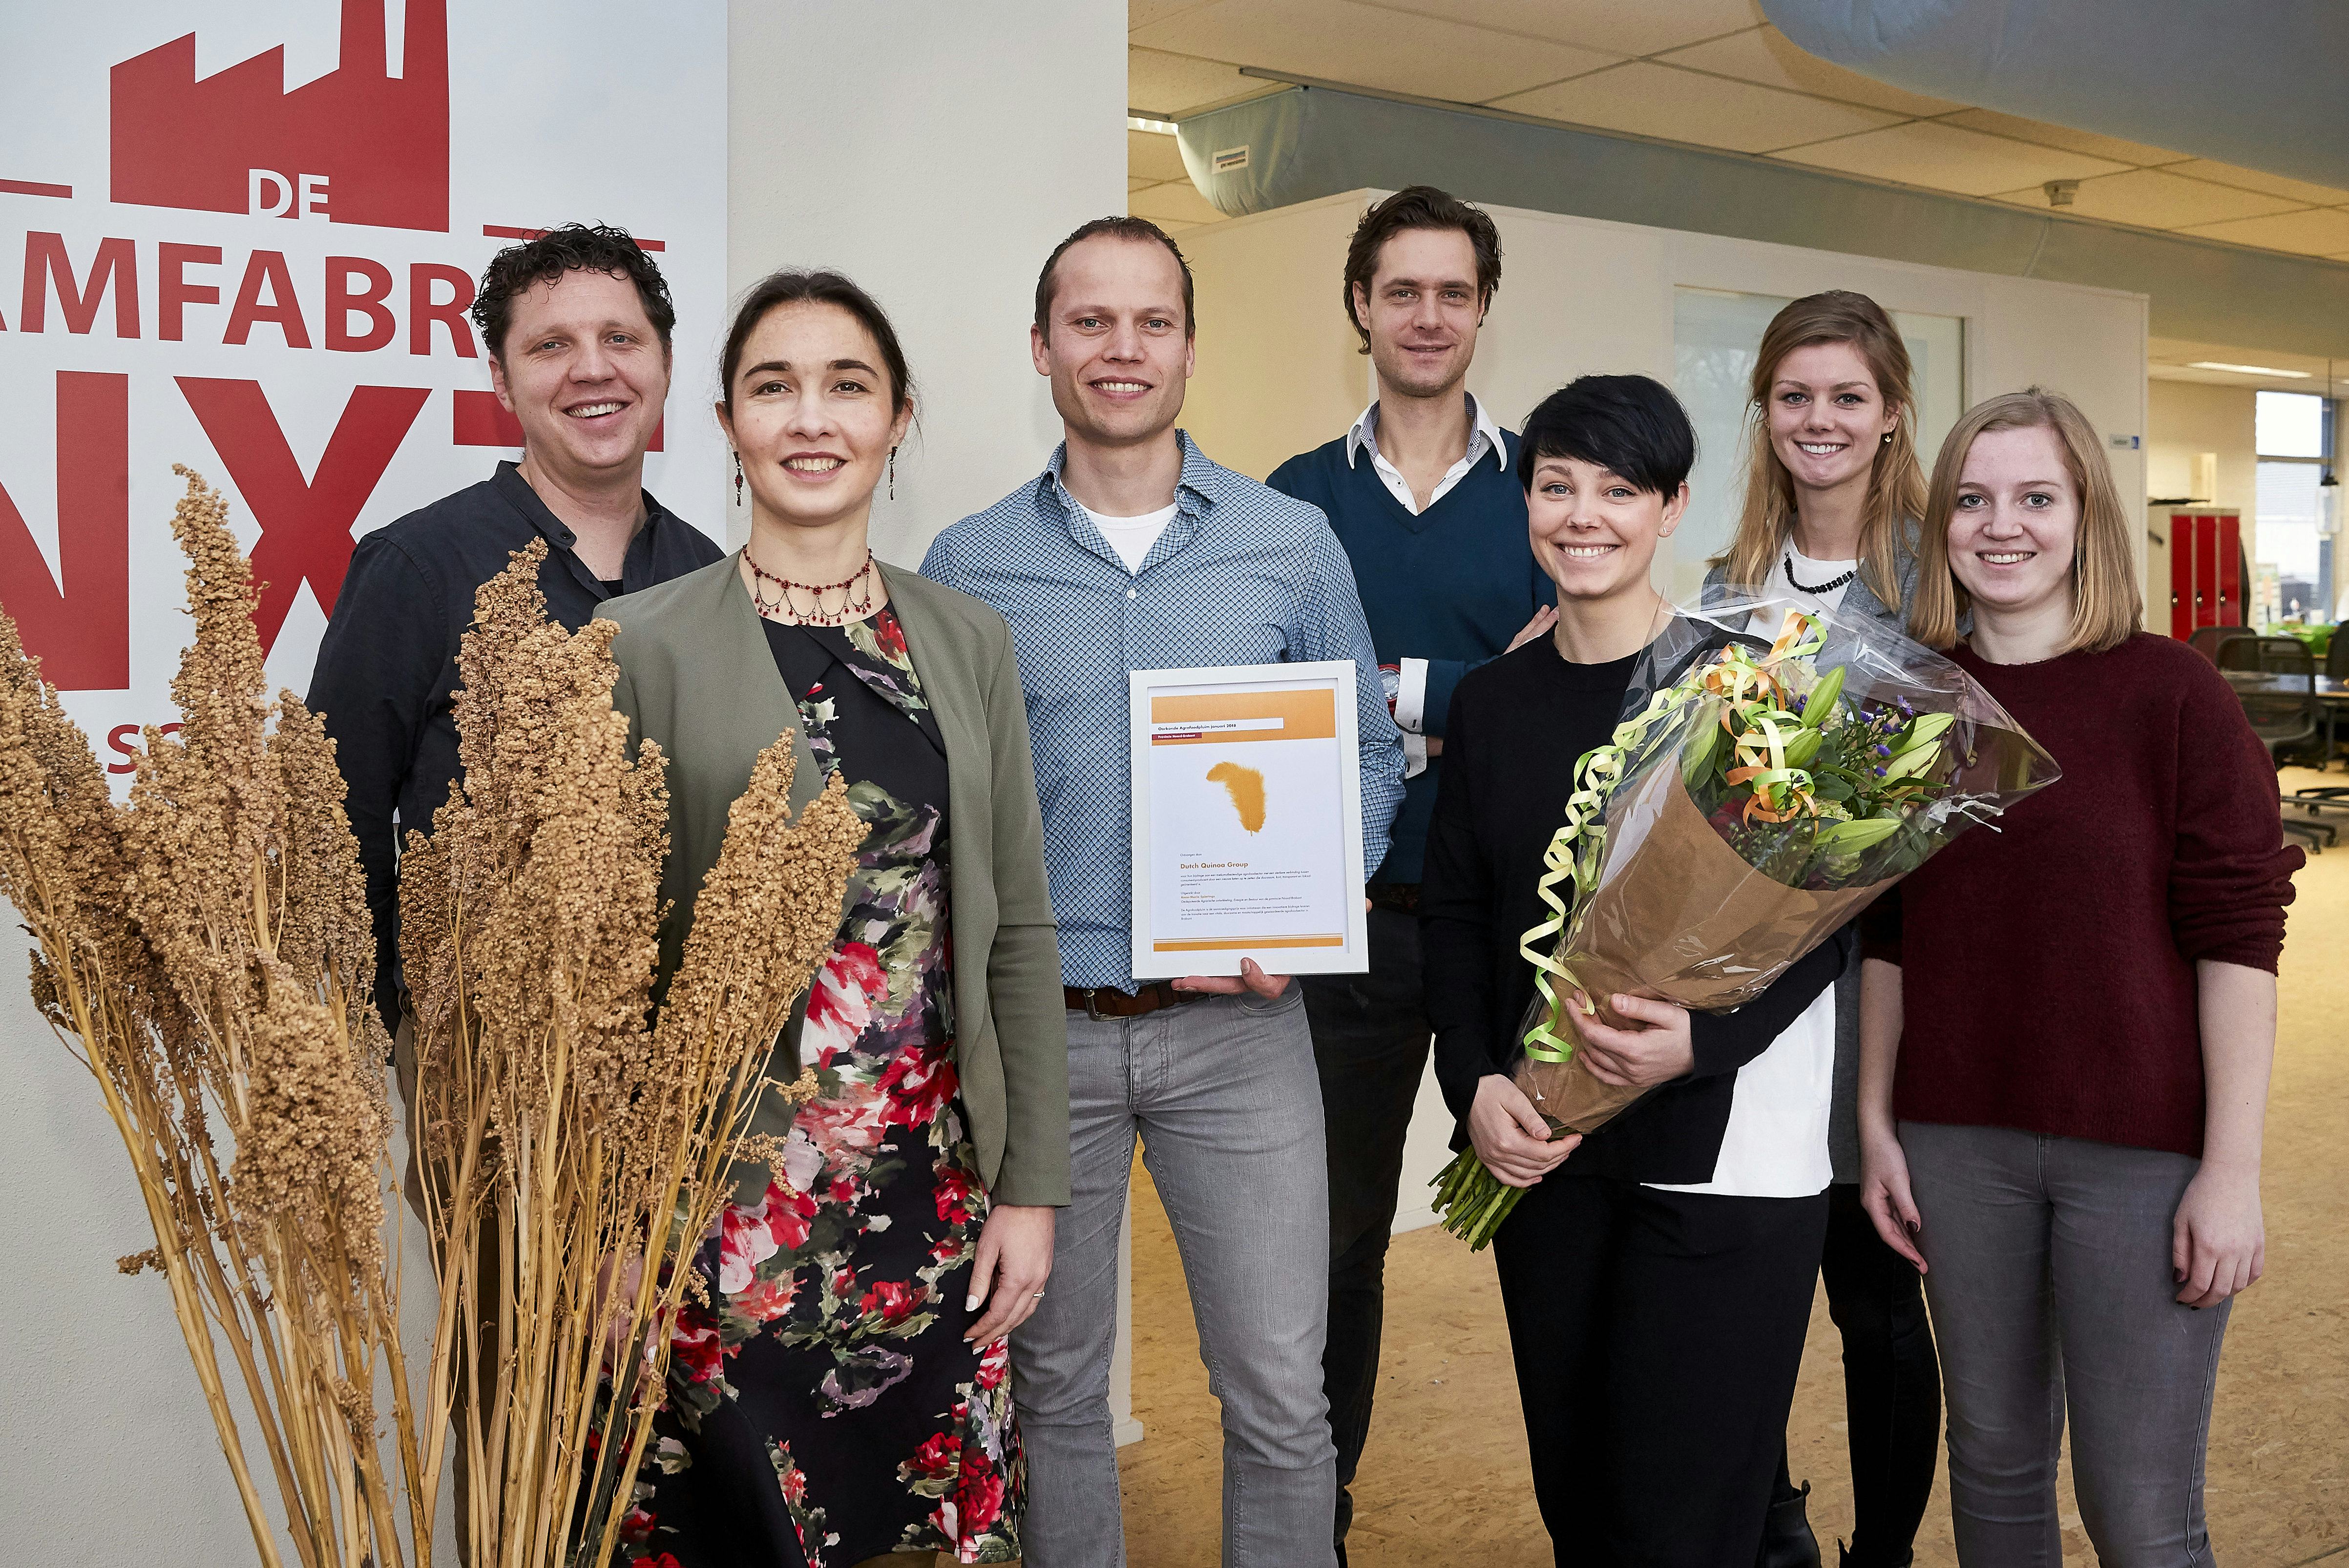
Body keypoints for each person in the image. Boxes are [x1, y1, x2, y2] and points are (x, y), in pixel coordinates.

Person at [922, 215, 1405, 1568]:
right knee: (1055, 1392)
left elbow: (1365, 753)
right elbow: (953, 806)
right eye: (1090, 321)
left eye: (1150, 322)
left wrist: (1308, 899)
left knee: (1276, 1396)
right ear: (1042, 347)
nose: (1120, 348)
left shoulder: (1290, 544)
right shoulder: (968, 565)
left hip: (1241, 1034)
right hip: (1046, 1036)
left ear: (1189, 346)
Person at [598, 269, 1070, 1566]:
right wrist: (605, 1235)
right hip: (717, 1214)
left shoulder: (966, 640)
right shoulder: (638, 645)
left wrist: (1030, 1188)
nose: (812, 418)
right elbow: (596, 978)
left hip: (931, 1204)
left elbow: (1015, 929)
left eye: (846, 386)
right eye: (774, 386)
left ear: (899, 417)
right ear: (726, 422)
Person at [308, 224, 720, 1561]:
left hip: (678, 1064)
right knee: (526, 1377)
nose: (592, 371)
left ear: (664, 367)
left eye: (622, 340)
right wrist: (404, 1038)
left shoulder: (714, 578)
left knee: (681, 1392)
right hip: (485, 1064)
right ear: (502, 379)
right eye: (553, 345)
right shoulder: (420, 566)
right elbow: (336, 822)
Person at [1857, 387, 2299, 1567]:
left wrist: (2232, 1171)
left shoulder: (2171, 695)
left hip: (2141, 1153)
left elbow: (2238, 938)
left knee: (2137, 1510)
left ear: (2083, 517)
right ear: (1940, 522)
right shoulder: (1911, 702)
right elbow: (1886, 930)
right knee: (1992, 1470)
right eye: (1971, 499)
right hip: (1956, 1141)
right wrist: (1874, 1123)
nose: (2000, 525)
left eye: (2034, 497)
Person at [1422, 374, 1850, 1566]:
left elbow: (1820, 920)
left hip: (1712, 1155)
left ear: (1668, 508)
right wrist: (1474, 1088)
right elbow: (1455, 914)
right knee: (1580, 1497)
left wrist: (1701, 1042)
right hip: (1543, 1147)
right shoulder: (1496, 702)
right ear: (1526, 504)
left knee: (1687, 1515)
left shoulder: (1743, 684)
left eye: (1618, 489)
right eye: (1555, 486)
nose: (1582, 515)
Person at [1264, 183, 1553, 1563]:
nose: (1426, 315)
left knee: (1559, 1231)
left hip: (1517, 922)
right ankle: (1311, 1518)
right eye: (1401, 290)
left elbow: (1583, 687)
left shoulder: (1550, 490)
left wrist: (1395, 694)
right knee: (1329, 1252)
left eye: (1452, 291)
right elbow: (1266, 706)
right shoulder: (1291, 504)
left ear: (1483, 308)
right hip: (1349, 926)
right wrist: (1472, 689)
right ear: (1360, 310)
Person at [1702, 290, 1940, 1568]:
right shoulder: (1726, 586)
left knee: (1872, 1291)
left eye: (1847, 395)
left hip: (1876, 985)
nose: (1819, 419)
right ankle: (1764, 1516)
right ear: (1765, 412)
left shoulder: (1936, 585)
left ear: (1892, 413)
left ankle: (1883, 1551)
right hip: (1734, 984)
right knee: (1743, 1283)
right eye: (1795, 395)